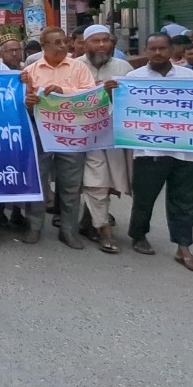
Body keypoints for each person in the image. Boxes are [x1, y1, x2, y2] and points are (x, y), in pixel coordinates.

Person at [117, 33, 193, 272]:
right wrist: (112, 93)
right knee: (144, 198)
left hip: (185, 151)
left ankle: (184, 246)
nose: (158, 53)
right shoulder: (133, 78)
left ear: (171, 50)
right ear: (146, 51)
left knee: (184, 201)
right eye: (153, 49)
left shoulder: (189, 76)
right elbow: (123, 111)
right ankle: (138, 234)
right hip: (149, 150)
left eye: (162, 48)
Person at [22, 27, 97, 248]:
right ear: (44, 46)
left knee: (71, 184)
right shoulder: (31, 70)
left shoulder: (79, 68)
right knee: (38, 181)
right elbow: (23, 102)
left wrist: (62, 91)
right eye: (56, 42)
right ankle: (34, 227)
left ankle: (69, 230)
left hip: (72, 133)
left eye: (64, 42)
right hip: (41, 131)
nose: (62, 46)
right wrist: (27, 103)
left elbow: (91, 96)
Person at [76, 25, 133, 253]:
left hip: (116, 136)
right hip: (85, 136)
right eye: (96, 41)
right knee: (96, 181)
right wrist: (97, 91)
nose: (102, 45)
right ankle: (104, 229)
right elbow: (68, 98)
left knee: (111, 183)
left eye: (105, 40)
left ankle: (88, 221)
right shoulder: (74, 67)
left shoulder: (123, 68)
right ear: (85, 44)